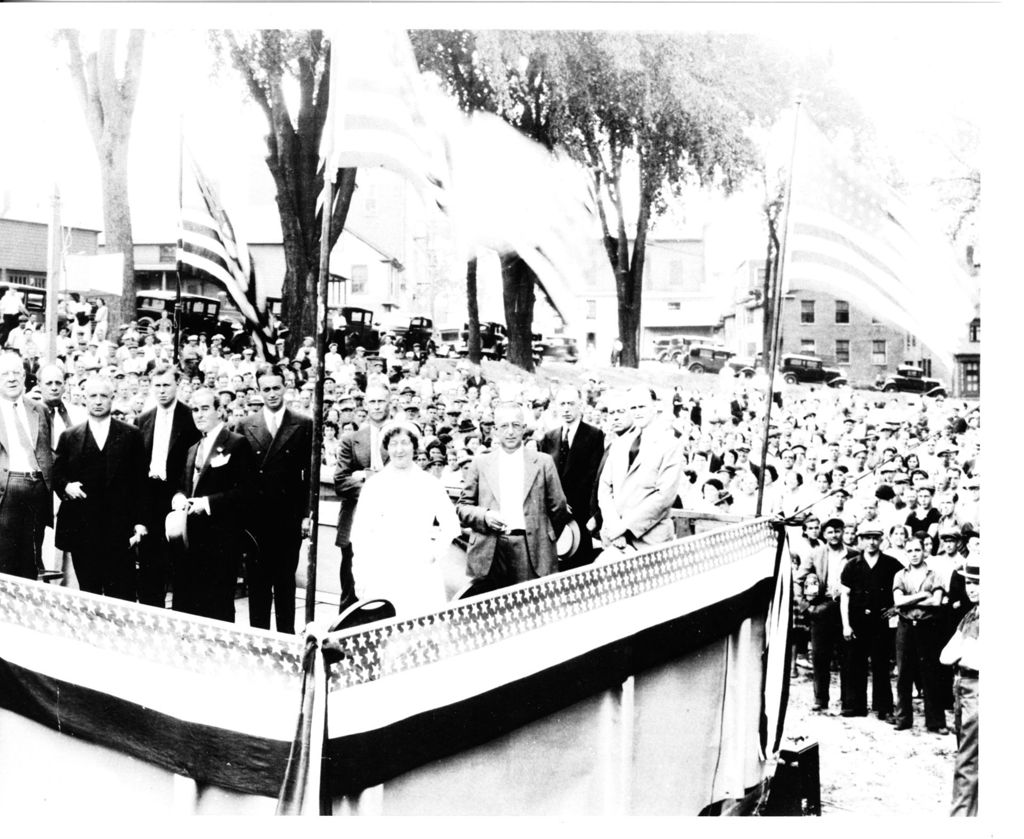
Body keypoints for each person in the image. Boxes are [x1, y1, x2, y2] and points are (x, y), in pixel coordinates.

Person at [350, 420, 461, 616]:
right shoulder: (375, 486)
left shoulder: (429, 483)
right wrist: (361, 577)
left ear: (414, 446)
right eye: (393, 444)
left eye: (404, 442)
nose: (399, 449)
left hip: (420, 574)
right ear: (386, 448)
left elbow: (451, 524)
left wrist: (433, 553)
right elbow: (360, 536)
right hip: (384, 572)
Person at [232, 367, 313, 634]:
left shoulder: (303, 424)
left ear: (285, 387)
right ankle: (260, 639)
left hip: (288, 518)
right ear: (258, 391)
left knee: (285, 583)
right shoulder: (245, 425)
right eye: (266, 389)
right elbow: (240, 478)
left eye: (276, 388)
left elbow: (309, 476)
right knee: (258, 583)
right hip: (256, 520)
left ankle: (287, 640)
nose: (272, 394)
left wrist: (306, 514)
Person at [457, 401, 570, 591]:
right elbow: (462, 507)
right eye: (504, 426)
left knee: (530, 608)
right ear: (495, 430)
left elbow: (558, 508)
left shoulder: (543, 462)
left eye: (516, 425)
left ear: (524, 428)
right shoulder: (480, 463)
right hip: (490, 551)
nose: (510, 431)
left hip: (531, 549)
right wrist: (484, 516)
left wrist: (542, 537)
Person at [53, 375, 148, 601]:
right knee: (89, 591)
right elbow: (56, 474)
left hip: (119, 528)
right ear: (84, 399)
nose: (98, 401)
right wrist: (66, 486)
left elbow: (141, 482)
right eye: (92, 396)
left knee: (121, 592)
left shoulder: (131, 434)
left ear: (112, 399)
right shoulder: (69, 436)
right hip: (82, 529)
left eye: (103, 396)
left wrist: (140, 522)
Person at [171, 387, 257, 623]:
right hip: (190, 539)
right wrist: (179, 496)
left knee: (217, 606)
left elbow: (248, 491)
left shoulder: (236, 443)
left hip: (221, 539)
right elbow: (183, 485)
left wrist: (207, 503)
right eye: (195, 410)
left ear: (220, 411)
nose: (199, 414)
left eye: (205, 409)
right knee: (188, 604)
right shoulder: (192, 449)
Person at [135, 366, 201, 608]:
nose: (162, 391)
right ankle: (152, 613)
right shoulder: (142, 420)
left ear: (177, 385)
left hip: (177, 495)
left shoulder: (189, 417)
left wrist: (183, 493)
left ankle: (182, 615)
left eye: (167, 385)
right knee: (150, 561)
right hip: (149, 496)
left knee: (179, 560)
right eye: (158, 386)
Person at [597, 386, 684, 556]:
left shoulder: (669, 444)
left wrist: (624, 528)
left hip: (650, 542)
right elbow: (605, 487)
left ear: (655, 407)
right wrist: (613, 524)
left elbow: (664, 497)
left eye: (642, 407)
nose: (637, 412)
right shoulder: (620, 443)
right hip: (616, 540)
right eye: (633, 408)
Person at [839, 521, 904, 721]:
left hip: (881, 622)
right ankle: (855, 705)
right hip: (857, 621)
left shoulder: (891, 564)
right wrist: (846, 625)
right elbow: (845, 596)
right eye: (868, 538)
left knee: (881, 664)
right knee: (855, 663)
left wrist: (895, 609)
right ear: (861, 540)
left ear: (881, 540)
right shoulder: (852, 565)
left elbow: (903, 587)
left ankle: (883, 707)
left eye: (876, 538)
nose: (872, 542)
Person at [334, 382, 391, 610]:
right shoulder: (351, 439)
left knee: (387, 591)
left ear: (390, 402)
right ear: (365, 405)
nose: (377, 406)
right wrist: (374, 485)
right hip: (356, 521)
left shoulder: (403, 438)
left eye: (381, 401)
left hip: (390, 522)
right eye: (372, 402)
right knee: (351, 590)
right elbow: (340, 481)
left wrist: (366, 478)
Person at [0, 350, 55, 579]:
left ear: (24, 377)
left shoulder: (39, 409)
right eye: (4, 374)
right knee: (5, 557)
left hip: (36, 490)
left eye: (16, 373)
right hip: (7, 488)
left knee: (32, 558)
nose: (11, 378)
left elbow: (47, 451)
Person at [538, 385, 605, 568]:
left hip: (580, 515)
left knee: (578, 568)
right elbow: (543, 478)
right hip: (553, 516)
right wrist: (557, 504)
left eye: (571, 403)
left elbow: (593, 477)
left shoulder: (594, 435)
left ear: (580, 406)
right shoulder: (548, 438)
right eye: (562, 404)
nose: (566, 409)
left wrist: (570, 504)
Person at [796, 517, 857, 713]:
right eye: (830, 532)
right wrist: (806, 606)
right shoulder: (816, 554)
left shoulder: (854, 554)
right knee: (820, 657)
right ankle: (820, 699)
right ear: (824, 534)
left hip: (846, 609)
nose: (834, 535)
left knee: (847, 656)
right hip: (822, 608)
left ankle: (848, 702)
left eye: (838, 531)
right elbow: (798, 580)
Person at [890, 533, 948, 733]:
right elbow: (897, 601)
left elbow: (937, 602)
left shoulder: (934, 574)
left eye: (917, 550)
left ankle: (936, 722)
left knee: (930, 674)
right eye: (910, 551)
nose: (914, 554)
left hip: (927, 628)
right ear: (905, 554)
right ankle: (903, 719)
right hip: (906, 627)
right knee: (904, 674)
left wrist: (910, 599)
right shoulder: (900, 575)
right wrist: (924, 594)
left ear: (924, 551)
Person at [940, 558, 979, 817]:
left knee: (969, 759)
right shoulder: (971, 614)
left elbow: (971, 658)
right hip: (963, 685)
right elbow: (946, 655)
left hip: (977, 687)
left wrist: (963, 652)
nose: (971, 588)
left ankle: (962, 818)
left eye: (978, 583)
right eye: (969, 582)